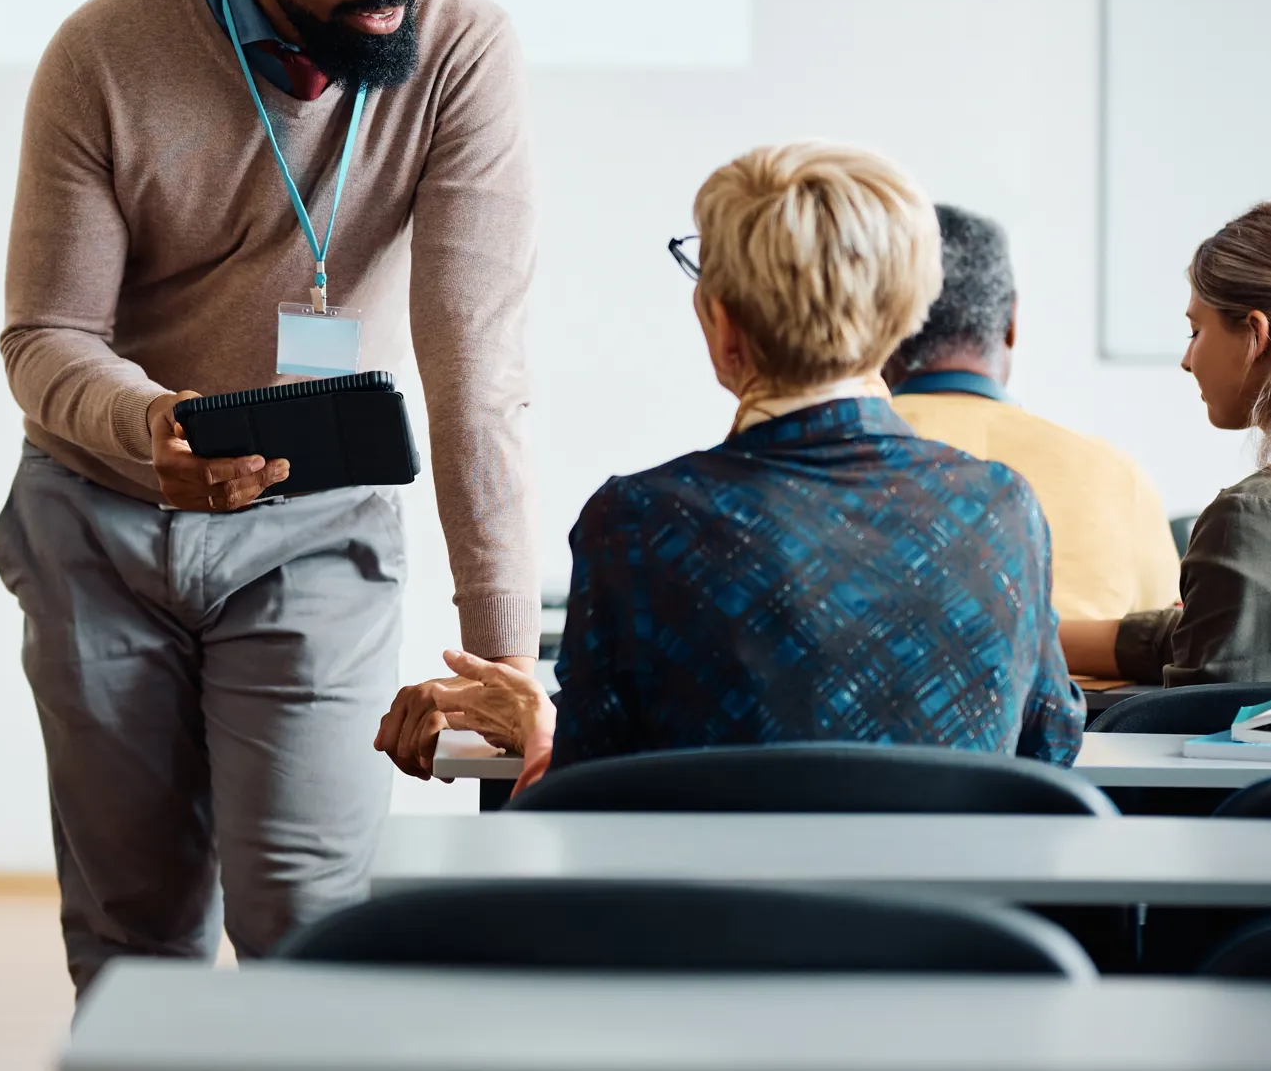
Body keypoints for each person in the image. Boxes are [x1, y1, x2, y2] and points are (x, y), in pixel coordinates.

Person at [0, 0, 537, 1071]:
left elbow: (473, 362)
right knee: (134, 927)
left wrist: (502, 650)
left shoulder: (461, 49)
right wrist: (152, 429)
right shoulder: (109, 48)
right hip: (104, 517)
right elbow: (45, 335)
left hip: (314, 532)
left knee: (305, 912)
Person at [376, 143, 1082, 784]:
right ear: (905, 316)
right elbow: (1049, 746)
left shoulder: (641, 521)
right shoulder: (1003, 506)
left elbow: (586, 811)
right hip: (963, 926)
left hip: (712, 926)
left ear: (724, 325)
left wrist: (538, 729)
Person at [885, 204, 1180, 620]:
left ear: (879, 326)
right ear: (1011, 324)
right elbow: (1173, 653)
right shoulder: (1115, 476)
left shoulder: (833, 462)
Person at [1062, 202, 1271, 686]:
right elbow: (1204, 631)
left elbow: (1201, 725)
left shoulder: (1248, 519)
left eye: (1195, 331)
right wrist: (1034, 634)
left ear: (1256, 336)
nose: (1186, 360)